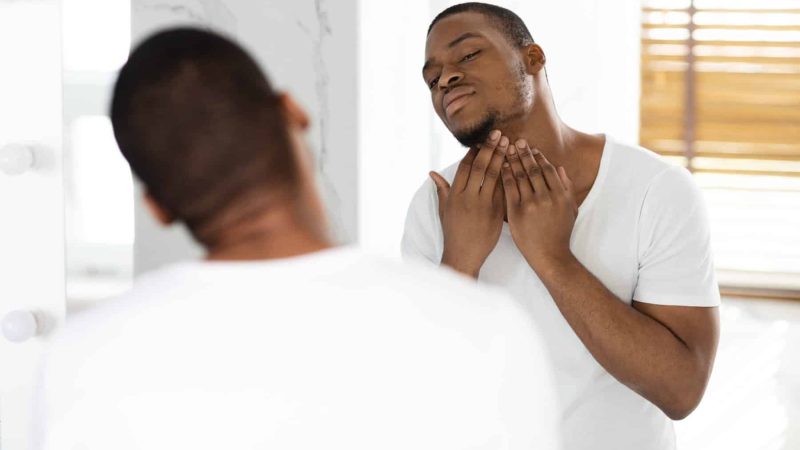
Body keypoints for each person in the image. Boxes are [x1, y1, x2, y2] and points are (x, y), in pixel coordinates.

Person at [36, 28, 561, 450]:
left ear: (156, 206)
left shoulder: (84, 359)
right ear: (294, 112)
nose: (447, 82)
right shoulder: (485, 330)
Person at [403, 3, 721, 450]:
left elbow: (681, 391)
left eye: (468, 55)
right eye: (432, 78)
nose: (446, 79)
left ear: (533, 59)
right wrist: (459, 263)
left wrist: (554, 260)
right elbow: (419, 396)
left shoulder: (656, 190)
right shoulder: (435, 206)